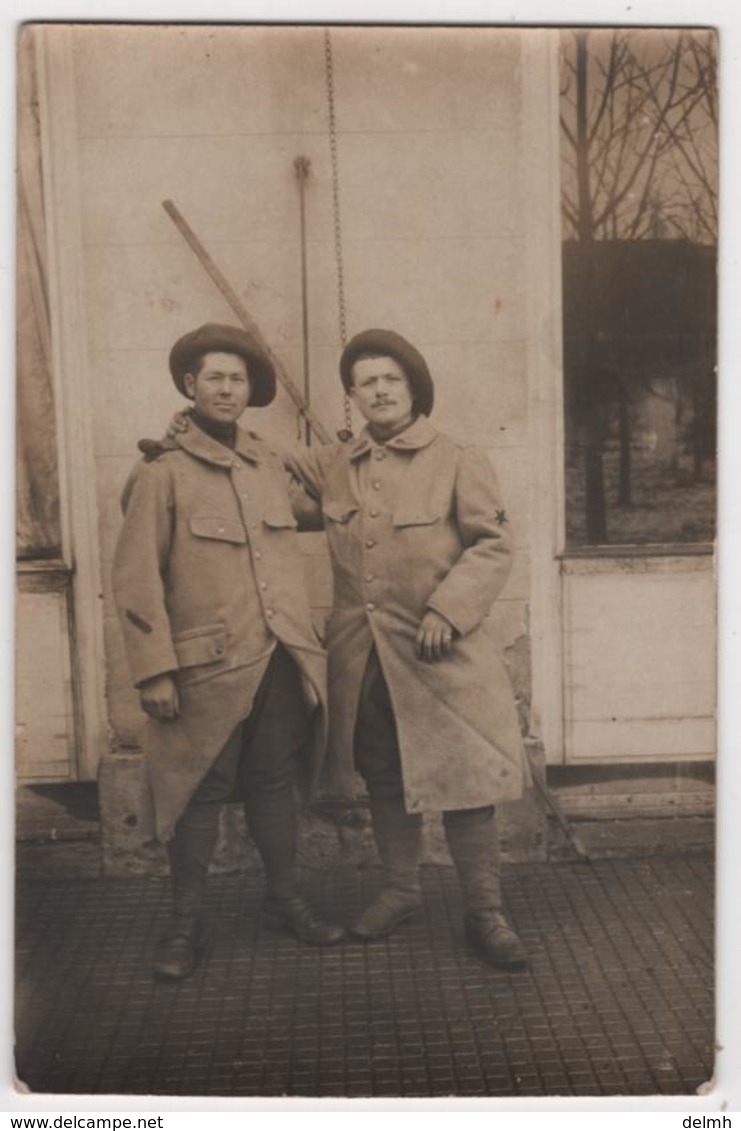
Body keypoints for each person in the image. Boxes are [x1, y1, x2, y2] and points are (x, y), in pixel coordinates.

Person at [284, 330, 530, 970]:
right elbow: (257, 475)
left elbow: (493, 544)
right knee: (387, 779)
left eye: (391, 378)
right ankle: (401, 890)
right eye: (366, 382)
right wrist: (181, 442)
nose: (380, 390)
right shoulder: (335, 466)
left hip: (440, 654)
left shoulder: (456, 458)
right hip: (365, 661)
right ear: (352, 398)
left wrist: (449, 609)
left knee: (466, 784)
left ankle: (486, 912)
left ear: (413, 388)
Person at [112, 323, 345, 981]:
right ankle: (184, 921)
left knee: (273, 780)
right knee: (197, 791)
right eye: (213, 376)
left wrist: (350, 458)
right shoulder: (160, 471)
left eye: (236, 378)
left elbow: (327, 505)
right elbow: (134, 578)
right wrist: (153, 668)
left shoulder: (266, 462)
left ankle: (285, 897)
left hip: (278, 657)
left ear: (249, 391)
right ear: (190, 385)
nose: (225, 387)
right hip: (204, 667)